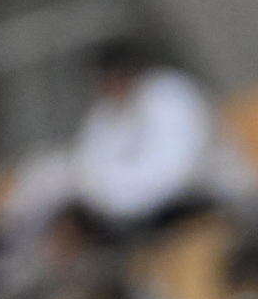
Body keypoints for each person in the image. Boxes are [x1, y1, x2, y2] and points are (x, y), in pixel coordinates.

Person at [71, 41, 220, 232]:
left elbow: (178, 173)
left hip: (201, 202)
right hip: (138, 219)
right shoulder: (101, 118)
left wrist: (125, 196)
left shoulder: (170, 96)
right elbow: (89, 180)